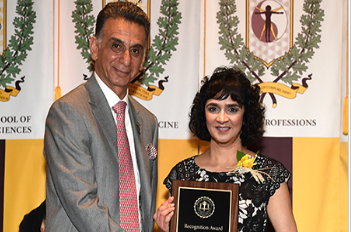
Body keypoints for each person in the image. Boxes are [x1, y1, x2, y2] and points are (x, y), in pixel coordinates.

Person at [44, 2, 158, 232]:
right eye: (116, 46)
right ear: (94, 47)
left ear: (144, 58)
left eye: (135, 50)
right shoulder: (68, 113)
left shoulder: (148, 122)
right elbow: (82, 204)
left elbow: (144, 208)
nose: (126, 60)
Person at [154, 67, 297, 232]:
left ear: (245, 115)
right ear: (203, 114)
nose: (222, 118)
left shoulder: (268, 174)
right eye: (213, 108)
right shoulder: (183, 173)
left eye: (232, 109)